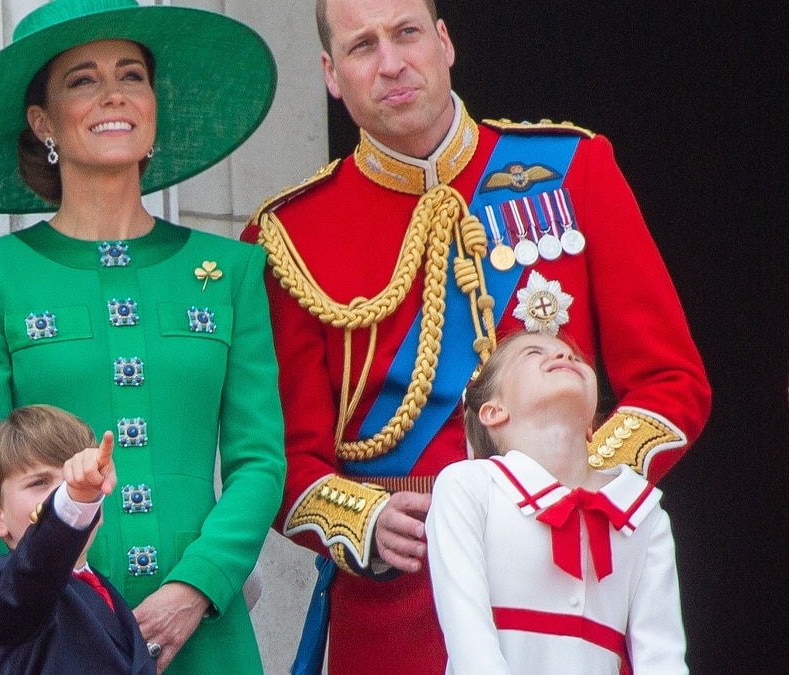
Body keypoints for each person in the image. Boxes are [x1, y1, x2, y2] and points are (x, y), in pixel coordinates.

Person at [240, 0, 710, 672]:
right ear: (330, 74)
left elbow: (671, 382)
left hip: (568, 583)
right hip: (400, 598)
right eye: (363, 46)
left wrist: (576, 483)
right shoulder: (289, 236)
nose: (391, 63)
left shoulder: (573, 169)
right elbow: (285, 457)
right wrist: (365, 523)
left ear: (445, 41)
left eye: (406, 33)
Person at [0, 1, 285, 673]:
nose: (114, 94)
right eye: (83, 79)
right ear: (43, 122)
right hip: (68, 634)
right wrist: (67, 592)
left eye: (131, 75)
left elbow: (259, 460)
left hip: (209, 633)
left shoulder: (232, 270)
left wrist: (197, 586)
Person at [427, 331, 687, 674]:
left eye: (576, 358)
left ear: (592, 424)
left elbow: (662, 659)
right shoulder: (469, 486)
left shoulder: (642, 512)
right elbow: (468, 636)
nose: (565, 357)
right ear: (493, 411)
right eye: (534, 352)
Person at [0, 404, 157, 674]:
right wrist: (72, 502)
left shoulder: (103, 589)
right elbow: (37, 568)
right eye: (39, 482)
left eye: (81, 483)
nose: (66, 490)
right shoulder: (5, 584)